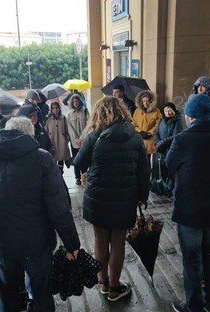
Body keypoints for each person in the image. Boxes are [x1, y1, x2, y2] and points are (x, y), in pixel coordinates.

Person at [0, 116, 80, 312]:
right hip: (37, 242)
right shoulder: (42, 158)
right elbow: (59, 208)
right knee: (42, 293)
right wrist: (72, 244)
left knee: (7, 296)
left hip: (1, 241)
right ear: (30, 134)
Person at [74, 96, 150, 302]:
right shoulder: (134, 137)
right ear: (122, 111)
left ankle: (103, 284)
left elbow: (78, 163)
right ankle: (116, 287)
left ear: (99, 113)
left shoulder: (94, 136)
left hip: (97, 199)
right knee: (118, 243)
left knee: (100, 241)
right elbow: (144, 170)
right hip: (125, 198)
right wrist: (143, 196)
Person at [165, 93, 210, 312]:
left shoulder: (184, 139)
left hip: (190, 211)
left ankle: (194, 305)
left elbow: (169, 165)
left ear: (190, 115)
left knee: (192, 260)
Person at [153, 102, 183, 184]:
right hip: (161, 150)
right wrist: (157, 142)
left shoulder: (177, 120)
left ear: (173, 111)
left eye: (170, 111)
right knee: (162, 169)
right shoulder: (161, 120)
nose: (168, 113)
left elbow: (176, 136)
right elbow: (156, 132)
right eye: (166, 111)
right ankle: (163, 187)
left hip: (172, 149)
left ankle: (170, 189)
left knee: (170, 170)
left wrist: (161, 143)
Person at [67, 94, 89, 185]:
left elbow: (89, 125)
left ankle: (84, 175)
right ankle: (77, 177)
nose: (75, 103)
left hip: (84, 140)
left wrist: (81, 138)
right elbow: (70, 128)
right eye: (74, 102)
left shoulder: (85, 112)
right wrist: (76, 139)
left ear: (80, 101)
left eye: (77, 101)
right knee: (76, 159)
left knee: (84, 159)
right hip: (74, 142)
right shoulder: (69, 114)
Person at [132, 90, 162, 158]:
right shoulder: (137, 111)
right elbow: (134, 124)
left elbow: (159, 124)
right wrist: (140, 132)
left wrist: (149, 133)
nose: (145, 103)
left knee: (151, 161)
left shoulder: (156, 111)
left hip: (151, 140)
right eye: (143, 101)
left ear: (151, 102)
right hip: (140, 139)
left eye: (147, 101)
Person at [44, 102, 71, 174]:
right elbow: (46, 131)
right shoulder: (49, 119)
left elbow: (68, 131)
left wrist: (66, 140)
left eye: (56, 108)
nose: (55, 109)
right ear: (51, 109)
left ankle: (60, 173)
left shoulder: (64, 118)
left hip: (62, 143)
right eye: (53, 108)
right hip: (52, 143)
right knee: (53, 161)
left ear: (59, 108)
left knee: (61, 160)